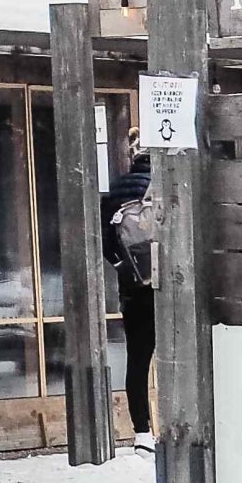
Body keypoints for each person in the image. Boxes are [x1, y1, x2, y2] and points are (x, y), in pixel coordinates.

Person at [104, 140, 156, 440]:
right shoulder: (167, 185)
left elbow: (106, 244)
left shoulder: (116, 192)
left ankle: (142, 432)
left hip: (133, 289)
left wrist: (124, 266)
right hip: (170, 285)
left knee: (138, 359)